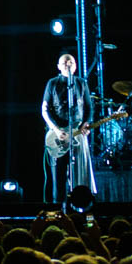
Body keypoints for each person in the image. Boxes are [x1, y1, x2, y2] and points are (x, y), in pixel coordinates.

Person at [41, 53, 94, 205]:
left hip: (77, 133)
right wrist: (56, 130)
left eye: (71, 62)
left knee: (80, 174)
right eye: (65, 62)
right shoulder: (52, 83)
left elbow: (89, 107)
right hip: (58, 134)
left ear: (75, 66)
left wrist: (86, 123)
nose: (68, 65)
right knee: (58, 175)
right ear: (59, 66)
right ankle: (57, 207)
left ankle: (80, 206)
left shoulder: (81, 83)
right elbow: (45, 110)